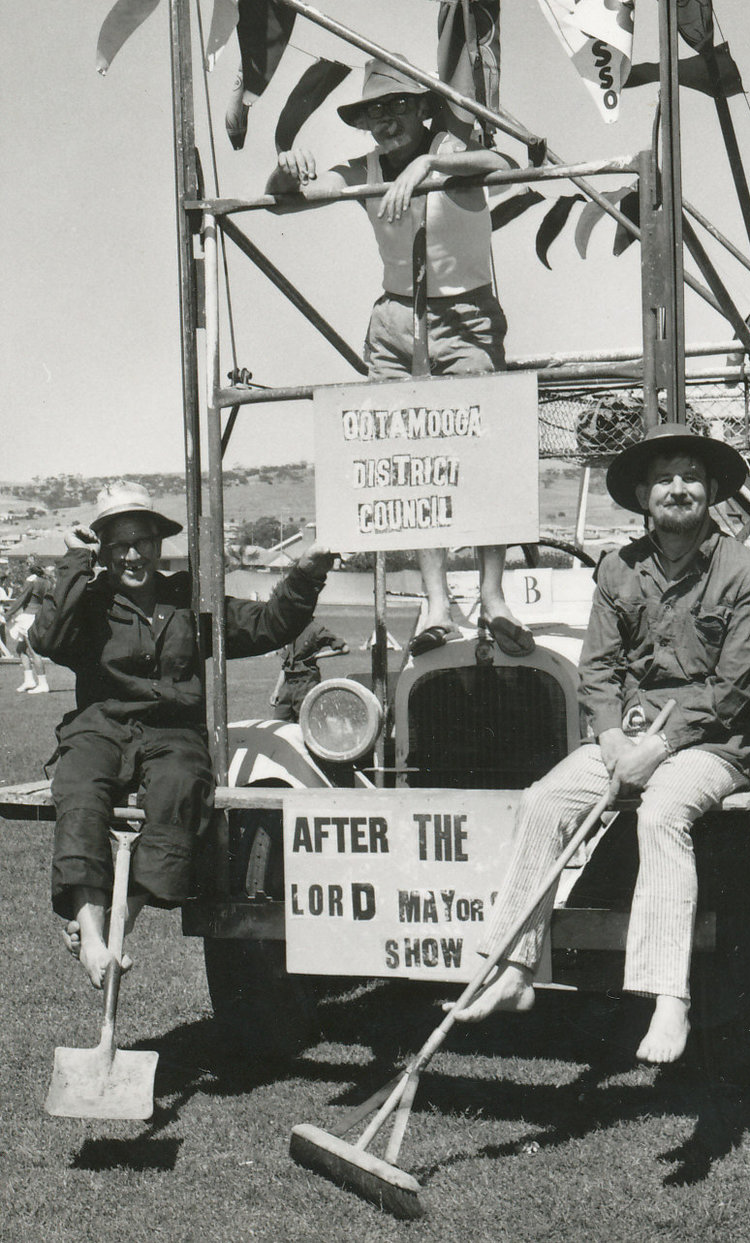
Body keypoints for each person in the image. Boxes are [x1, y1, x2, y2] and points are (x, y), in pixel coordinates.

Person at [451, 424, 750, 1064]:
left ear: (711, 491)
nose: (677, 488)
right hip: (625, 738)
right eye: (663, 479)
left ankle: (667, 1000)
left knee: (661, 813)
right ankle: (514, 971)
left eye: (689, 477)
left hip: (712, 747)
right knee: (543, 800)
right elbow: (597, 674)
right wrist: (609, 740)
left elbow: (736, 691)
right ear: (642, 495)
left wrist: (659, 750)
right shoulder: (618, 569)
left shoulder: (747, 575)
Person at [265, 55, 533, 660]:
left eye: (397, 106)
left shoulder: (454, 151)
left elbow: (508, 166)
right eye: (375, 111)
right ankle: (436, 603)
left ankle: (493, 599)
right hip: (393, 323)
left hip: (465, 319)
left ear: (423, 108)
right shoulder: (363, 169)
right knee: (411, 464)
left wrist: (430, 164)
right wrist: (283, 169)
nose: (386, 121)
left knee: (483, 455)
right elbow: (286, 201)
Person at [29, 481, 338, 990]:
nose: (133, 555)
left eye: (143, 541)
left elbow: (266, 625)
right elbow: (47, 638)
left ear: (158, 543)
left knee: (181, 790)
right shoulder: (88, 599)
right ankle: (88, 935)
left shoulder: (189, 598)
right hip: (100, 726)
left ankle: (117, 924)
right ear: (102, 549)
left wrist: (308, 572)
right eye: (118, 544)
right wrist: (74, 562)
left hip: (173, 732)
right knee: (79, 789)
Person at [271, 619, 349, 722]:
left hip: (307, 684)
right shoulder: (290, 630)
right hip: (288, 686)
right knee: (280, 724)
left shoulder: (315, 630)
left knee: (307, 723)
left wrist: (318, 655)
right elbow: (286, 665)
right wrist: (277, 690)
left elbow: (344, 649)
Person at [7, 557, 50, 694]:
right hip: (38, 615)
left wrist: (7, 615)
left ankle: (43, 684)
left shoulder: (31, 580)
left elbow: (22, 599)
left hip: (28, 617)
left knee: (33, 651)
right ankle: (29, 680)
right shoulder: (46, 581)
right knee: (21, 649)